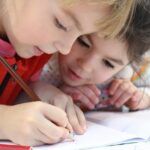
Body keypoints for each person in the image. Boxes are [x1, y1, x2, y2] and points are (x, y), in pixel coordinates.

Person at [0, 0, 136, 146]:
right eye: (62, 24)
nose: (65, 49)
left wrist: (33, 92)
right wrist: (5, 121)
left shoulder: (36, 52)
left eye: (79, 35)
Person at [40, 0, 150, 113]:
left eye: (108, 63)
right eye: (83, 42)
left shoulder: (129, 73)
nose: (86, 66)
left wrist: (142, 97)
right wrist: (51, 94)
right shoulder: (42, 58)